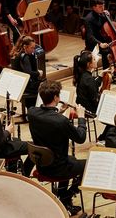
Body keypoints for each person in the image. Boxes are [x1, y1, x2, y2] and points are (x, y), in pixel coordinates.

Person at [28, 80, 86, 215]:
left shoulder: (32, 112)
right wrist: (81, 117)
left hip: (42, 163)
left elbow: (48, 120)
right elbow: (81, 137)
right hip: (58, 168)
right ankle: (66, 195)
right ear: (55, 98)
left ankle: (63, 199)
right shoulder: (61, 121)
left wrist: (59, 111)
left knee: (72, 159)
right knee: (90, 165)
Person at [73, 50, 111, 140]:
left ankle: (104, 137)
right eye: (94, 59)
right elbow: (95, 99)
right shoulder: (88, 79)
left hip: (83, 104)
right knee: (112, 118)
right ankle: (103, 138)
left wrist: (101, 75)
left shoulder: (83, 75)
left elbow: (93, 85)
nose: (96, 60)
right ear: (88, 64)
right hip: (88, 109)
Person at [10, 35, 43, 109]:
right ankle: (36, 109)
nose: (33, 50)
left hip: (18, 83)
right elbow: (29, 73)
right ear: (25, 47)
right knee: (45, 87)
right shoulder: (25, 57)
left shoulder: (17, 53)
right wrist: (38, 73)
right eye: (32, 48)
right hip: (25, 86)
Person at [83, 0, 111, 69]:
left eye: (103, 6)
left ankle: (115, 71)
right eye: (100, 7)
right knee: (106, 51)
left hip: (103, 40)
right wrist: (100, 44)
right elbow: (90, 37)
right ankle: (106, 73)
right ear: (94, 7)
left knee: (115, 47)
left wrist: (108, 17)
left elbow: (108, 28)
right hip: (93, 43)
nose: (103, 8)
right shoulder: (88, 19)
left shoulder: (102, 15)